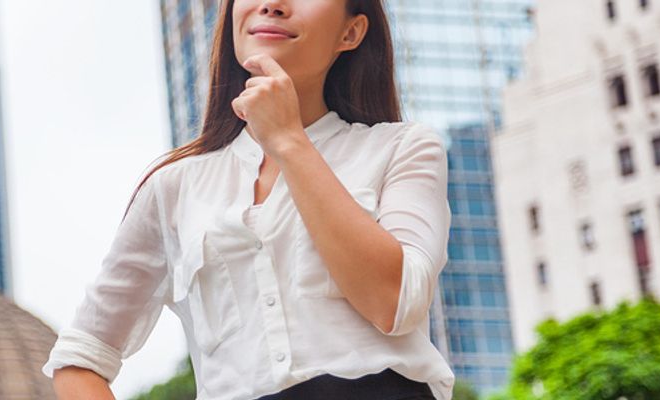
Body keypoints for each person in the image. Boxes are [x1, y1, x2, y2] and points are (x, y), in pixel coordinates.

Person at [42, 0, 456, 399]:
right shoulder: (174, 187)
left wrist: (288, 140)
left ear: (351, 32)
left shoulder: (402, 148)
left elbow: (395, 303)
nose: (272, 4)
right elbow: (79, 358)